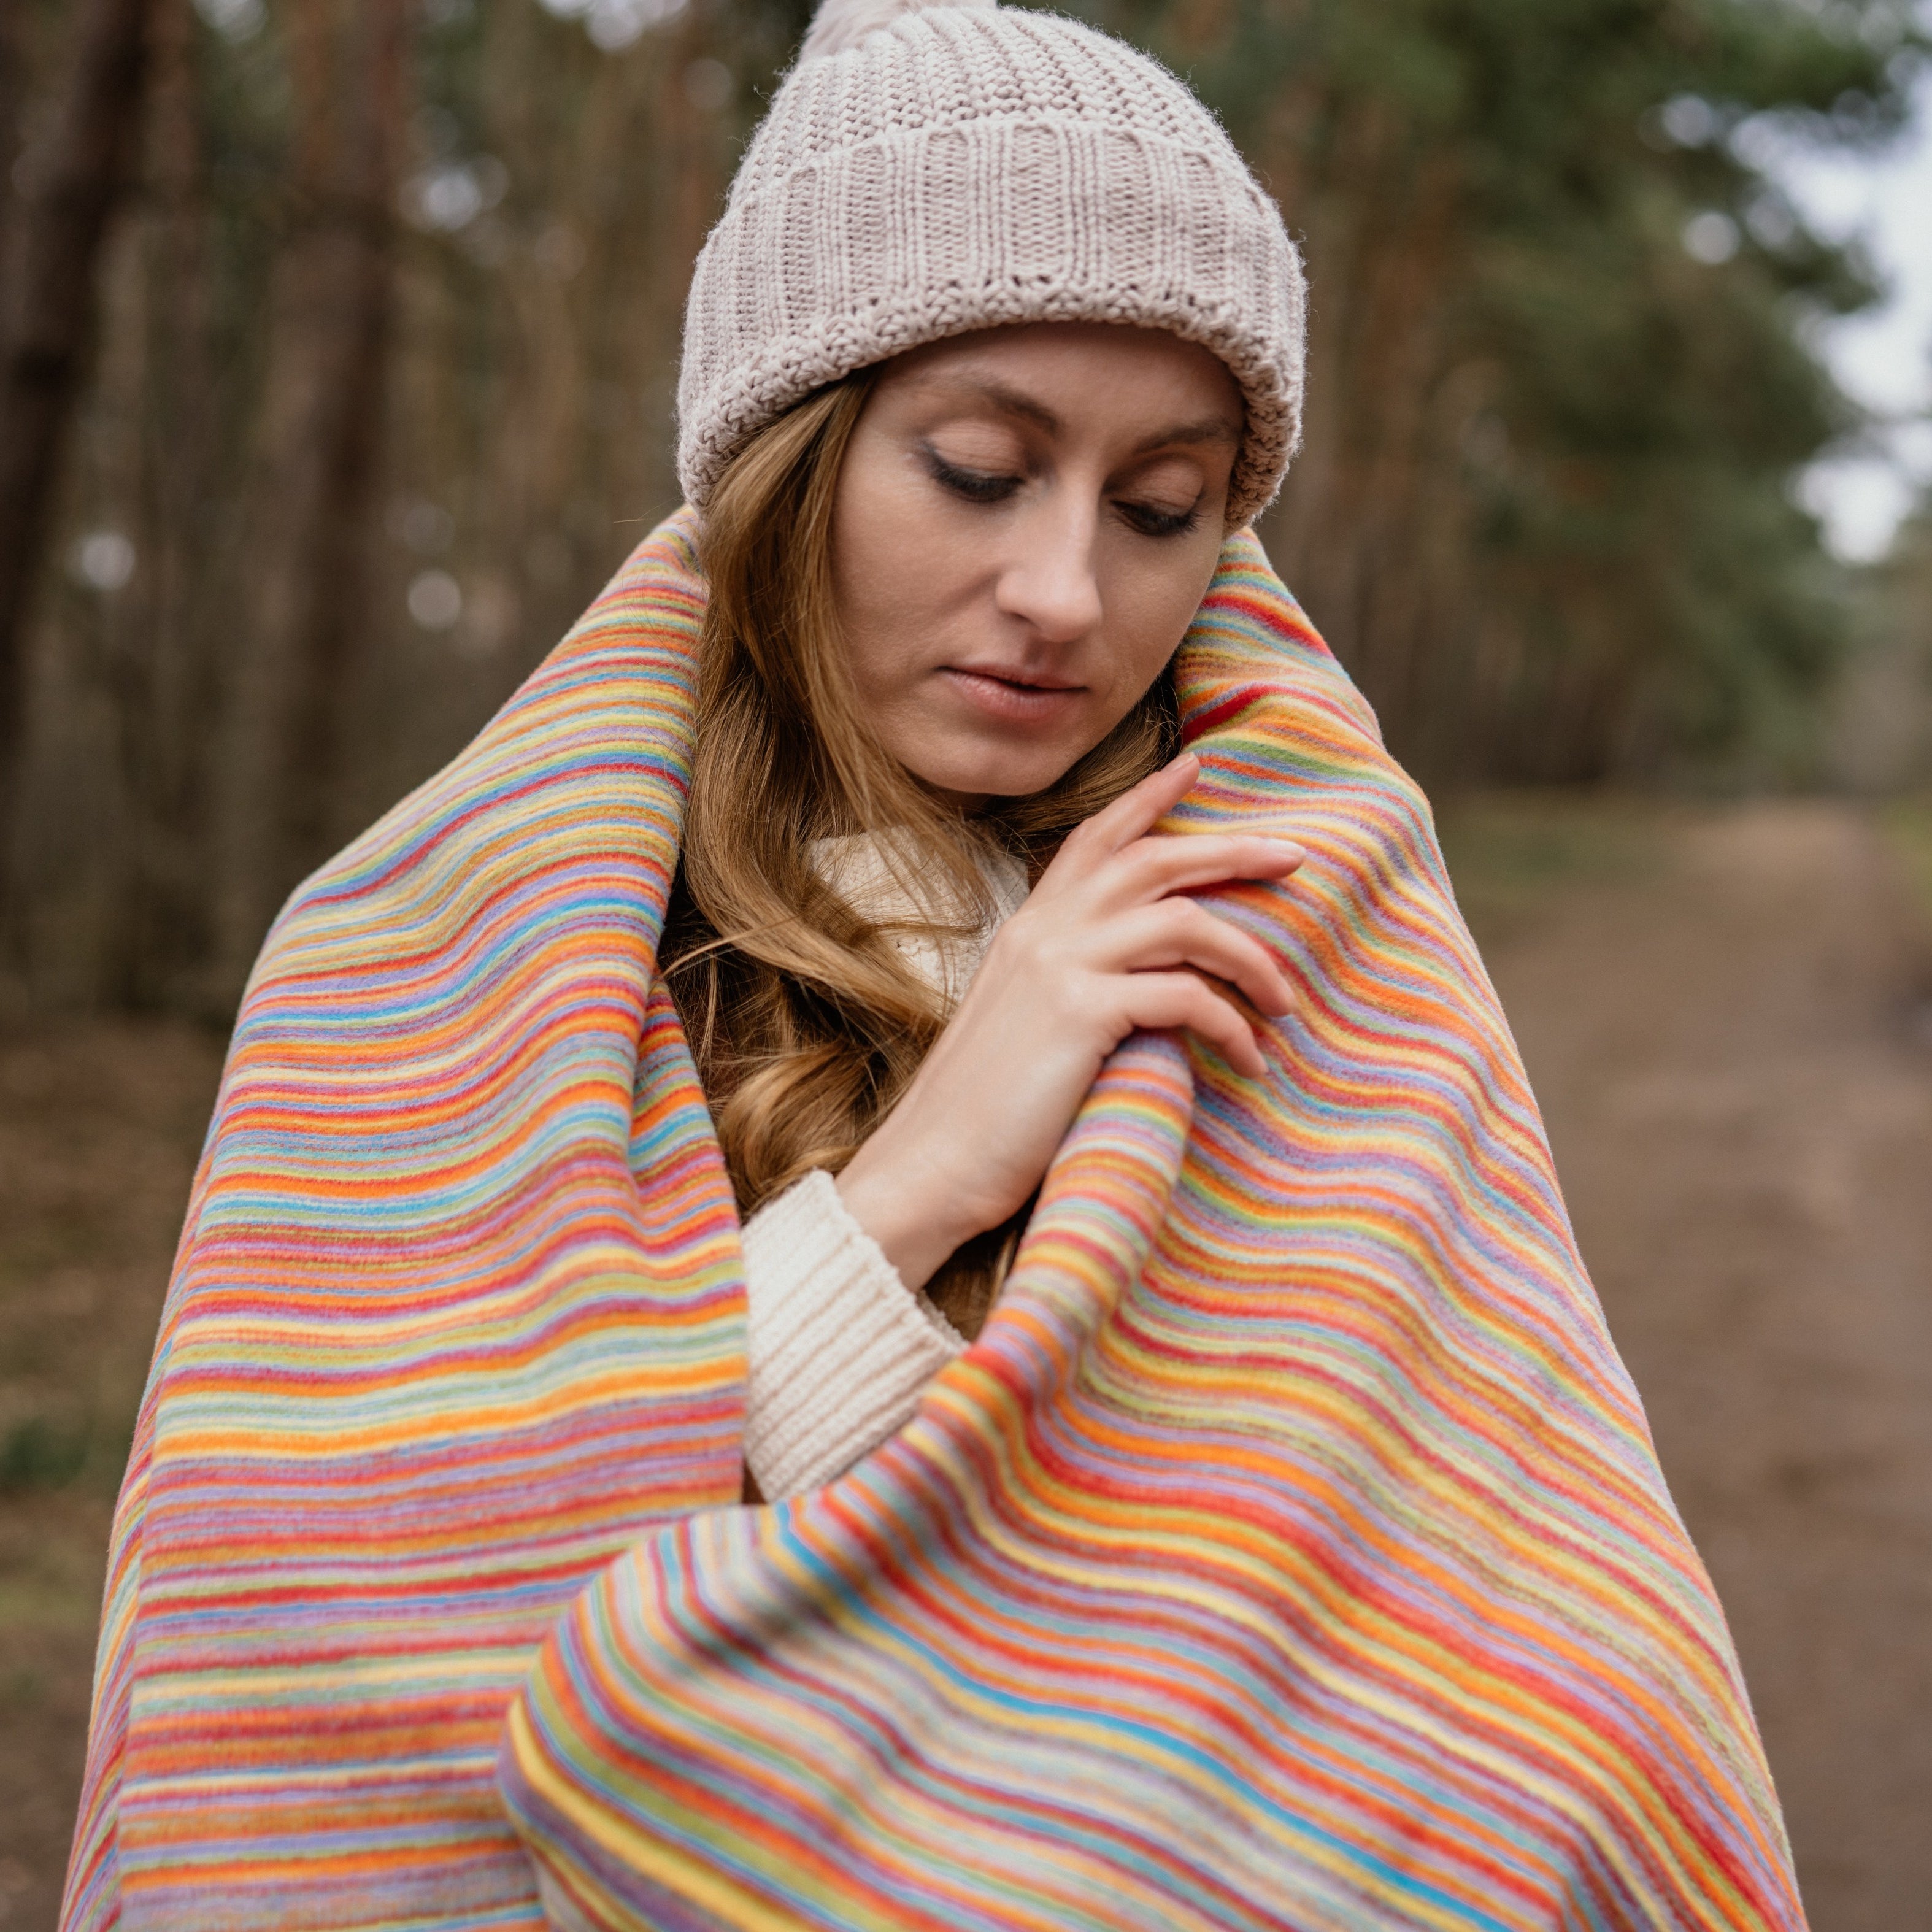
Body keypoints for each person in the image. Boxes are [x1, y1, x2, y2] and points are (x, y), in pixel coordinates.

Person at [64, 0, 1803, 1925]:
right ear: (788, 463)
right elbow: (387, 1682)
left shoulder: (1289, 941)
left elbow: (1518, 1650)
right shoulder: (420, 968)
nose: (1070, 593)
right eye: (981, 468)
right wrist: (917, 1185)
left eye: (1165, 510)